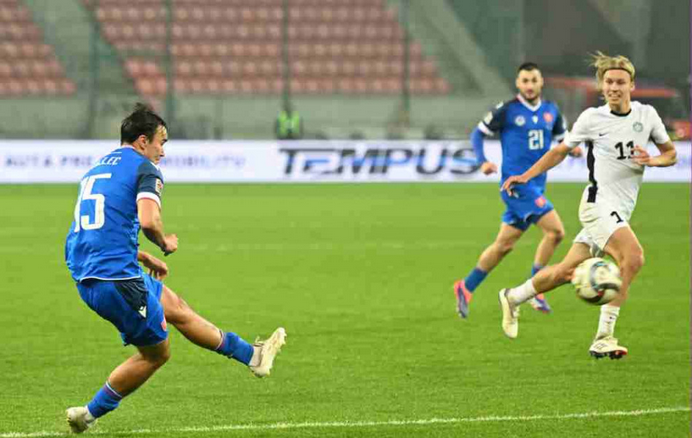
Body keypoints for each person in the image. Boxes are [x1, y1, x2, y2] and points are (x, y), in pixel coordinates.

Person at [64, 103, 287, 433]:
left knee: (176, 308)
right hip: (118, 281)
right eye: (161, 142)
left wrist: (140, 256)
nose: (162, 152)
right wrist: (163, 243)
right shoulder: (144, 169)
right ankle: (88, 415)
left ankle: (253, 357)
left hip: (97, 273)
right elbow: (148, 219)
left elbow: (93, 232)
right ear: (142, 141)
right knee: (156, 354)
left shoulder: (96, 170)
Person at [499, 52, 677, 358]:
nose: (614, 87)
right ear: (601, 85)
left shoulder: (646, 116)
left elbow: (670, 152)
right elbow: (560, 152)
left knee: (564, 272)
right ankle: (603, 337)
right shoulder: (592, 119)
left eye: (620, 82)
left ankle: (513, 297)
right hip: (597, 204)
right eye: (608, 81)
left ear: (631, 85)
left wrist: (654, 160)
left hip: (620, 209)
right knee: (633, 257)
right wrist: (526, 176)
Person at [454, 62, 582, 318]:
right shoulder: (507, 110)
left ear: (541, 82)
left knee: (504, 246)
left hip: (537, 185)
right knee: (556, 232)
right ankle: (536, 289)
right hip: (516, 186)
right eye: (525, 81)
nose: (530, 85)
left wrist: (573, 148)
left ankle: (466, 287)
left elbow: (562, 139)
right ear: (518, 83)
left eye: (534, 80)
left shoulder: (551, 111)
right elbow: (477, 135)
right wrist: (483, 161)